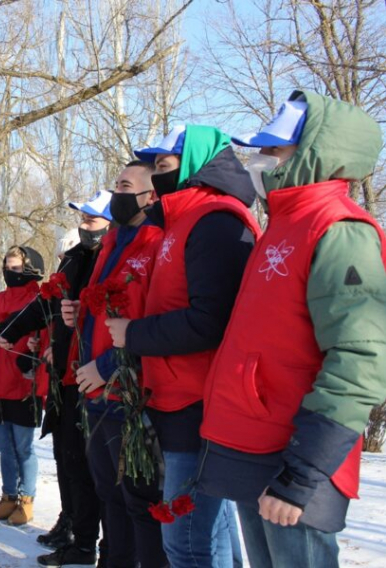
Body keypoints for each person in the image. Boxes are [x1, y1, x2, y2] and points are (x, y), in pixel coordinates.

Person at [199, 92, 386, 568]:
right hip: (254, 443)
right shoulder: (283, 225)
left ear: (314, 153)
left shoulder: (340, 231)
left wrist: (301, 476)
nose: (263, 161)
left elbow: (359, 357)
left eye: (275, 151)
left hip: (293, 456)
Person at [105, 125, 259, 567]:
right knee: (212, 532)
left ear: (194, 163)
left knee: (186, 543)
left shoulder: (216, 222)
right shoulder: (182, 219)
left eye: (164, 165)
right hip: (175, 396)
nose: (155, 175)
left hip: (199, 401)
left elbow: (210, 320)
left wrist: (133, 334)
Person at [0, 191, 112, 568]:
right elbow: (45, 302)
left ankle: (109, 547)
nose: (84, 225)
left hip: (100, 380)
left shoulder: (114, 255)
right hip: (65, 379)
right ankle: (80, 542)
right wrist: (11, 330)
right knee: (70, 463)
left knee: (100, 471)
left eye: (91, 219)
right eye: (82, 218)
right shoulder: (76, 257)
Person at [63, 160, 168, 567]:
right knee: (109, 494)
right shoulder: (111, 242)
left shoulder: (156, 241)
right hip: (95, 392)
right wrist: (77, 315)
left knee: (138, 500)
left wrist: (106, 367)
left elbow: (148, 321)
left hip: (130, 393)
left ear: (150, 195)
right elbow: (103, 310)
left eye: (124, 186)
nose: (116, 194)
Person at [0, 246, 48, 526]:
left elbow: (48, 338)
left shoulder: (40, 299)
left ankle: (26, 500)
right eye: (7, 266)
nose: (10, 272)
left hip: (24, 384)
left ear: (30, 269)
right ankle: (8, 498)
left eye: (16, 268)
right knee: (4, 447)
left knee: (24, 447)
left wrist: (36, 347)